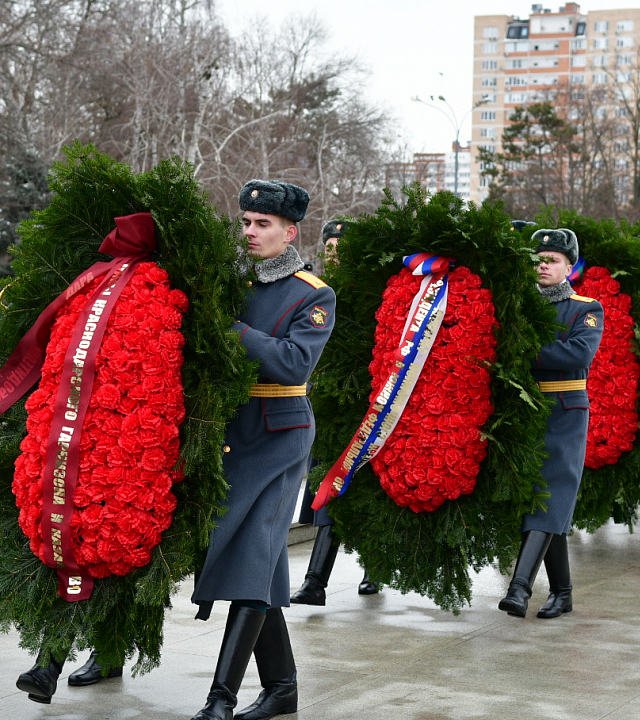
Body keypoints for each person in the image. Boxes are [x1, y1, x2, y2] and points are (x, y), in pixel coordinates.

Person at [187, 179, 334, 720]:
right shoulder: (230, 282)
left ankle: (219, 698)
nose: (249, 232)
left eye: (262, 224)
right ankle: (282, 687)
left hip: (280, 435)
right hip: (231, 431)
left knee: (252, 554)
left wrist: (231, 329)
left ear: (289, 232)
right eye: (245, 222)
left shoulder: (313, 293)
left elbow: (294, 363)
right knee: (262, 562)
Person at [498, 228, 601, 618]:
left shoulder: (586, 309)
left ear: (569, 268)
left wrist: (523, 349)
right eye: (538, 259)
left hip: (564, 408)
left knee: (552, 492)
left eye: (553, 260)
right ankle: (563, 591)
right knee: (542, 500)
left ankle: (519, 588)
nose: (543, 265)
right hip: (522, 410)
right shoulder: (519, 305)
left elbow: (578, 352)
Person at [291, 218, 378, 607]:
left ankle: (373, 568)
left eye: (342, 247)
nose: (334, 253)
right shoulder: (314, 290)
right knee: (330, 487)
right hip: (324, 403)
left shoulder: (371, 292)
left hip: (366, 405)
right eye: (329, 247)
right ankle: (315, 582)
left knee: (365, 490)